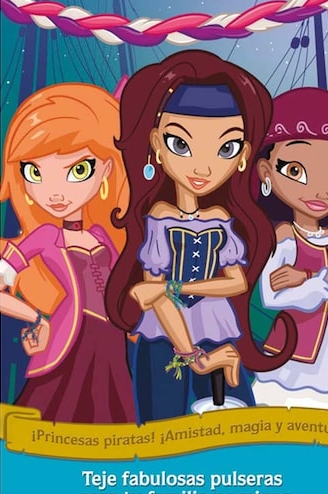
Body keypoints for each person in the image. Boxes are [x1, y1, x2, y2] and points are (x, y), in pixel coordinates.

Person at [105, 50, 295, 422]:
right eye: (181, 145)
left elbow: (236, 282)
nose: (203, 168)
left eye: (226, 148)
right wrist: (192, 355)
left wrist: (176, 287)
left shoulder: (221, 221)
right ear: (156, 144)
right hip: (165, 337)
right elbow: (157, 298)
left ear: (243, 155)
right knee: (162, 430)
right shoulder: (158, 221)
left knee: (235, 427)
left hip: (216, 329)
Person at [0, 83, 136, 423]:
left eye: (78, 170)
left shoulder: (103, 235)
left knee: (112, 418)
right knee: (53, 413)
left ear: (106, 169)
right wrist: (35, 318)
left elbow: (123, 290)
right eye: (35, 172)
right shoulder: (45, 237)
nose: (55, 193)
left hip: (112, 344)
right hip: (67, 343)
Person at [252, 88, 328, 413]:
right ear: (266, 173)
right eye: (297, 171)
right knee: (289, 407)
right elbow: (270, 296)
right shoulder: (285, 239)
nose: (322, 191)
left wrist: (324, 279)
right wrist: (321, 282)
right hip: (296, 347)